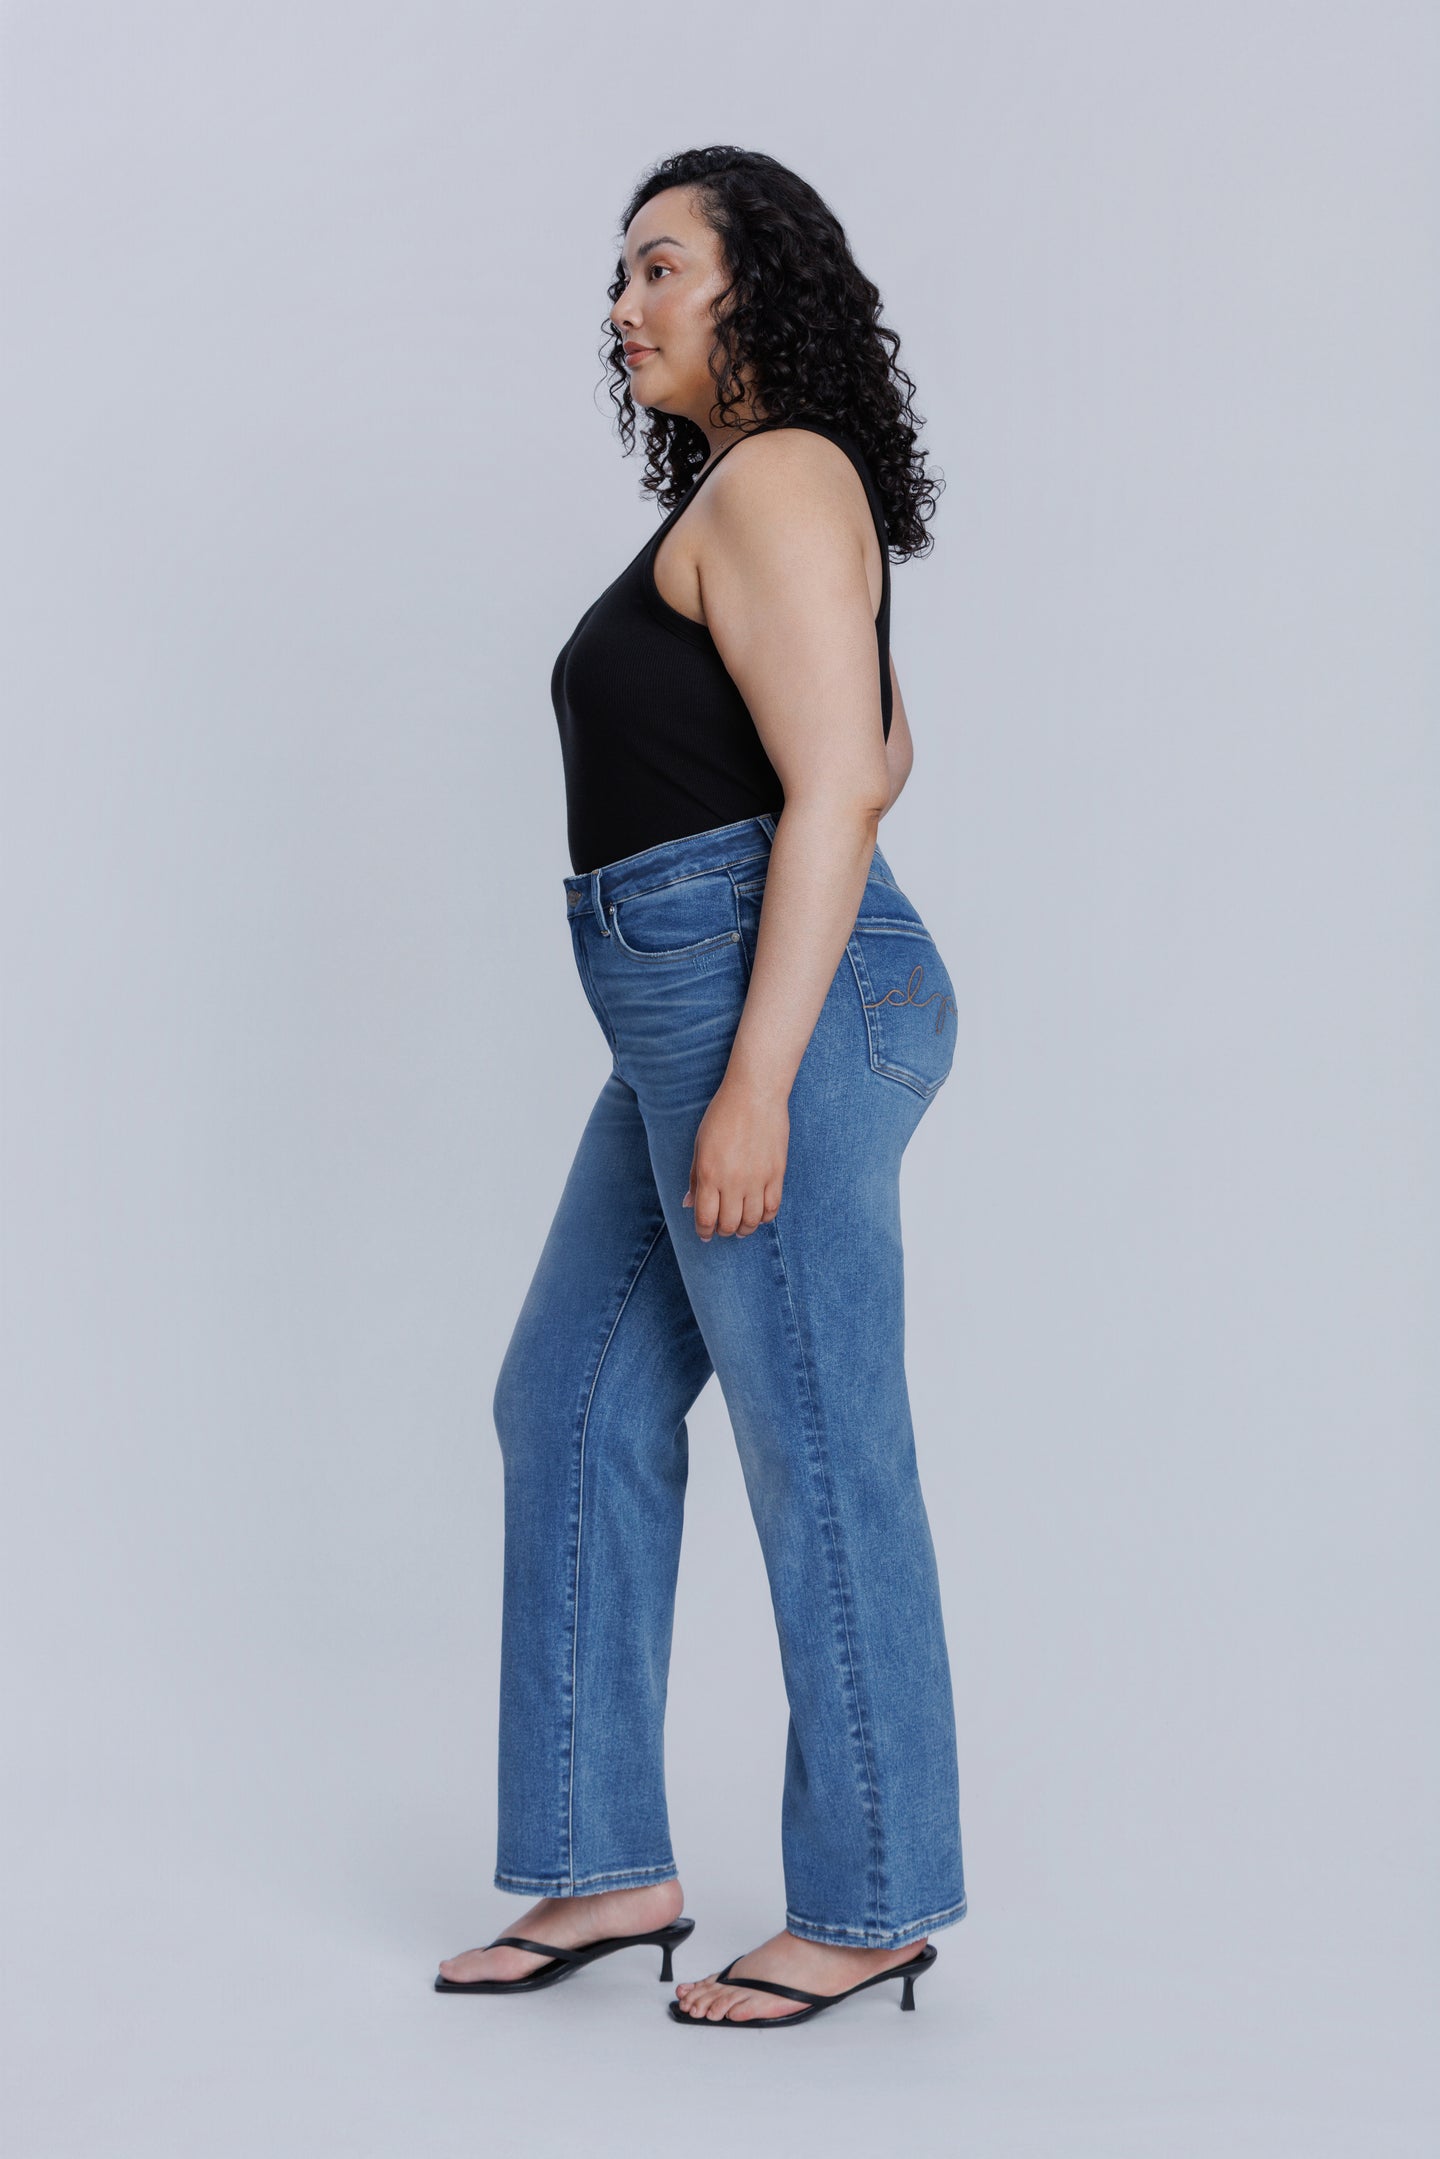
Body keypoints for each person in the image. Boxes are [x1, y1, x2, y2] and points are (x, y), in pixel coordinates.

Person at [435, 146, 966, 2028]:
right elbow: (884, 752)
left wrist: (759, 1082)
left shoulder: (787, 476)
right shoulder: (770, 500)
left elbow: (836, 792)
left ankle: (876, 1893)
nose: (625, 304)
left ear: (760, 288)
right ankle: (605, 1863)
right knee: (566, 1399)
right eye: (618, 276)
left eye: (662, 267)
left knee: (817, 1444)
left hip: (766, 1012)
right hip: (708, 1006)